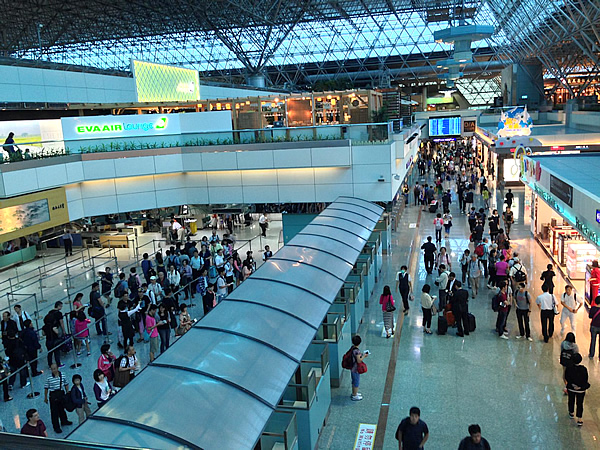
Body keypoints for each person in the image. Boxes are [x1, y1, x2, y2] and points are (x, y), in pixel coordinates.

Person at [43, 363, 72, 433]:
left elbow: (66, 384)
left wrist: (67, 392)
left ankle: (64, 421)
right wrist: (45, 397)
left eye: (54, 368)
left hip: (61, 393)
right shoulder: (49, 378)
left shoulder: (63, 375)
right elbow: (46, 388)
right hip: (53, 394)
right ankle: (56, 427)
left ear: (57, 368)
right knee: (54, 412)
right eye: (52, 369)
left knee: (62, 409)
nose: (53, 370)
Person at [565, 353, 589, 426]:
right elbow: (585, 379)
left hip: (571, 388)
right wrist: (580, 386)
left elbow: (567, 377)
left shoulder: (569, 368)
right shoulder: (583, 369)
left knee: (571, 400)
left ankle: (571, 412)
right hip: (581, 390)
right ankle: (579, 418)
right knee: (580, 403)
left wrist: (573, 385)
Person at [350, 335, 368, 401]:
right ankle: (355, 395)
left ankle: (354, 393)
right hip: (355, 369)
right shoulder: (357, 351)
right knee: (356, 382)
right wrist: (364, 356)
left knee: (354, 381)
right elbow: (359, 360)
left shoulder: (352, 348)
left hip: (352, 368)